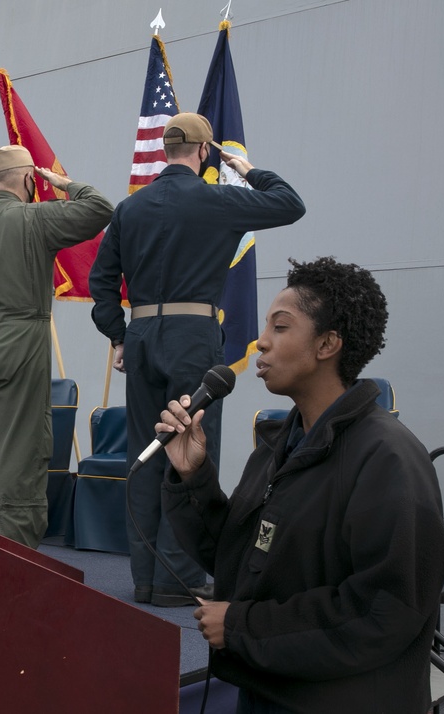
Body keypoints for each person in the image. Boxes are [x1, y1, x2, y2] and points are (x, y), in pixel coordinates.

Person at [158, 257, 444, 713]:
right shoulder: (281, 446)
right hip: (270, 691)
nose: (261, 341)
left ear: (327, 344)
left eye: (280, 327)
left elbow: (383, 610)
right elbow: (237, 558)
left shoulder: (387, 458)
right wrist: (192, 475)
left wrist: (243, 626)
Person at [88, 112, 306, 607]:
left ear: (165, 150)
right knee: (190, 449)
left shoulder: (130, 208)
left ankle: (145, 577)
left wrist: (118, 336)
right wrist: (248, 170)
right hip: (193, 335)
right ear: (205, 153)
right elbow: (290, 204)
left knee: (143, 454)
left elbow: (100, 282)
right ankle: (179, 577)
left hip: (141, 335)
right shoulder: (217, 198)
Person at [0, 146, 113, 548]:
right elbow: (100, 208)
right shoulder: (36, 219)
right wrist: (64, 183)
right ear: (31, 180)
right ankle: (12, 549)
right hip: (21, 347)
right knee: (22, 446)